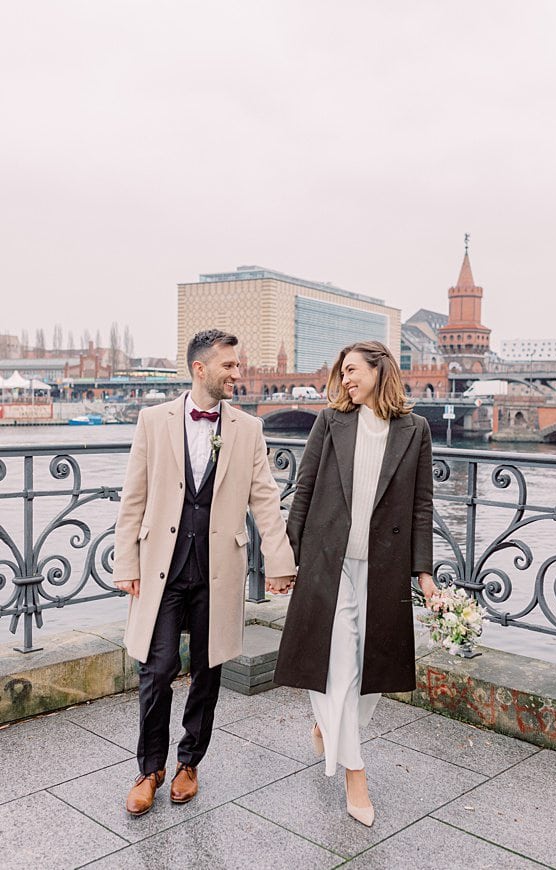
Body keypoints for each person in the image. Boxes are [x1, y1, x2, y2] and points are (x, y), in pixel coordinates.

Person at [113, 329, 296, 816]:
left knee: (208, 670)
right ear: (200, 368)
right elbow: (133, 497)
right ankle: (149, 769)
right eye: (229, 366)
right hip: (162, 569)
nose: (238, 374)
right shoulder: (153, 420)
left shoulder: (248, 429)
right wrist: (125, 562)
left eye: (239, 366)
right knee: (156, 669)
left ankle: (189, 763)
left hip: (220, 569)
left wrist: (280, 561)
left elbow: (265, 499)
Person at [273, 340, 435, 827]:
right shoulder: (331, 422)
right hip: (330, 563)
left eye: (353, 370)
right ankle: (356, 776)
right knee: (339, 664)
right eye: (342, 372)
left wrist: (424, 574)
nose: (345, 379)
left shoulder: (416, 430)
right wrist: (286, 558)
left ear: (379, 370)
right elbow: (303, 491)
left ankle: (328, 725)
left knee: (370, 677)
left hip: (382, 569)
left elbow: (422, 505)